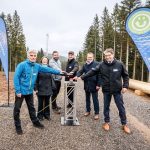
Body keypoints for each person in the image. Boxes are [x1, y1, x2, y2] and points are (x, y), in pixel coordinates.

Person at [80, 48, 131, 134]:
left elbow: (126, 76)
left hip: (117, 90)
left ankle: (124, 124)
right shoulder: (101, 65)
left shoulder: (119, 64)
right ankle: (106, 122)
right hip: (106, 90)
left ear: (113, 55)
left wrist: (125, 86)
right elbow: (92, 71)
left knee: (121, 107)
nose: (107, 57)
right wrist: (82, 77)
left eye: (109, 55)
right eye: (106, 56)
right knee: (106, 107)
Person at [13, 49, 62, 135]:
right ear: (28, 56)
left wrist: (59, 72)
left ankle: (35, 122)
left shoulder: (37, 66)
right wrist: (18, 91)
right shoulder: (22, 65)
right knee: (17, 109)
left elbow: (48, 70)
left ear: (36, 57)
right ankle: (18, 126)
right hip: (20, 92)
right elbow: (16, 78)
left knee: (32, 108)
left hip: (29, 92)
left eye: (34, 56)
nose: (33, 57)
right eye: (31, 55)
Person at [73, 52, 100, 120]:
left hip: (94, 85)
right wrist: (77, 76)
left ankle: (96, 113)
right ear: (87, 57)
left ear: (93, 57)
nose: (89, 59)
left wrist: (98, 84)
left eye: (91, 57)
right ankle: (88, 111)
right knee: (87, 99)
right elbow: (80, 71)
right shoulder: (85, 65)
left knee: (95, 99)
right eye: (88, 57)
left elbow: (100, 75)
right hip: (86, 84)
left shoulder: (97, 64)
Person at [35, 56, 53, 121]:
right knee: (40, 103)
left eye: (46, 60)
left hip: (48, 88)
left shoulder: (50, 68)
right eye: (43, 60)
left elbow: (52, 78)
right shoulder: (38, 68)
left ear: (47, 61)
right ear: (41, 61)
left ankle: (47, 115)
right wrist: (35, 88)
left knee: (47, 103)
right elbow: (35, 79)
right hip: (40, 88)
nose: (45, 61)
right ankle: (40, 116)